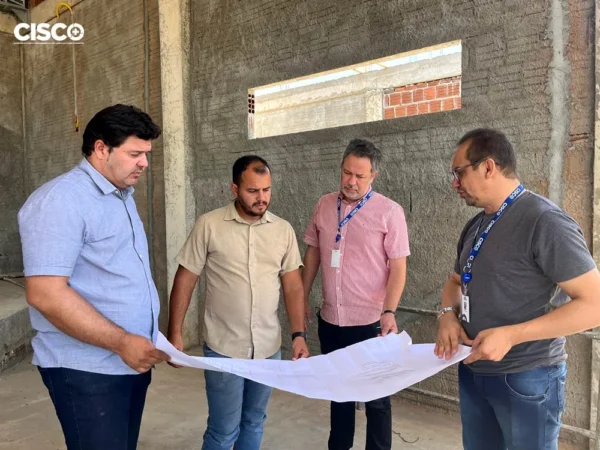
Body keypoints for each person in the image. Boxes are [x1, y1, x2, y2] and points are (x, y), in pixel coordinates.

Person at [434, 128, 600, 450]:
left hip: (527, 376)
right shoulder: (476, 224)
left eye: (459, 172)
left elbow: (594, 304)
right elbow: (455, 282)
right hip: (473, 369)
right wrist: (447, 315)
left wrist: (512, 335)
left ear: (488, 167)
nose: (455, 183)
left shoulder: (545, 221)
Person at [18, 104, 169, 450]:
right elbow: (45, 294)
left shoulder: (121, 196)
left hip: (129, 360)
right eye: (135, 154)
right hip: (87, 371)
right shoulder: (60, 201)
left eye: (146, 154)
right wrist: (122, 341)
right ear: (101, 149)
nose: (145, 164)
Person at [167, 155, 309, 450]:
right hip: (224, 349)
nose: (261, 198)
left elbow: (293, 285)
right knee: (222, 431)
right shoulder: (209, 225)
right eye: (252, 190)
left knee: (254, 422)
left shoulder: (282, 230)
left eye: (266, 190)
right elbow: (185, 279)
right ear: (235, 189)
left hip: (268, 349)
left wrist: (298, 334)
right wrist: (175, 333)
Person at [302, 138, 410, 450]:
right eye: (346, 173)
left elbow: (398, 267)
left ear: (373, 176)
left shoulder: (389, 212)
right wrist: (302, 298)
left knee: (377, 399)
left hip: (370, 323)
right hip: (331, 319)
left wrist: (389, 311)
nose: (351, 181)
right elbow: (313, 254)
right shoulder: (324, 205)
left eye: (359, 176)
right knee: (339, 393)